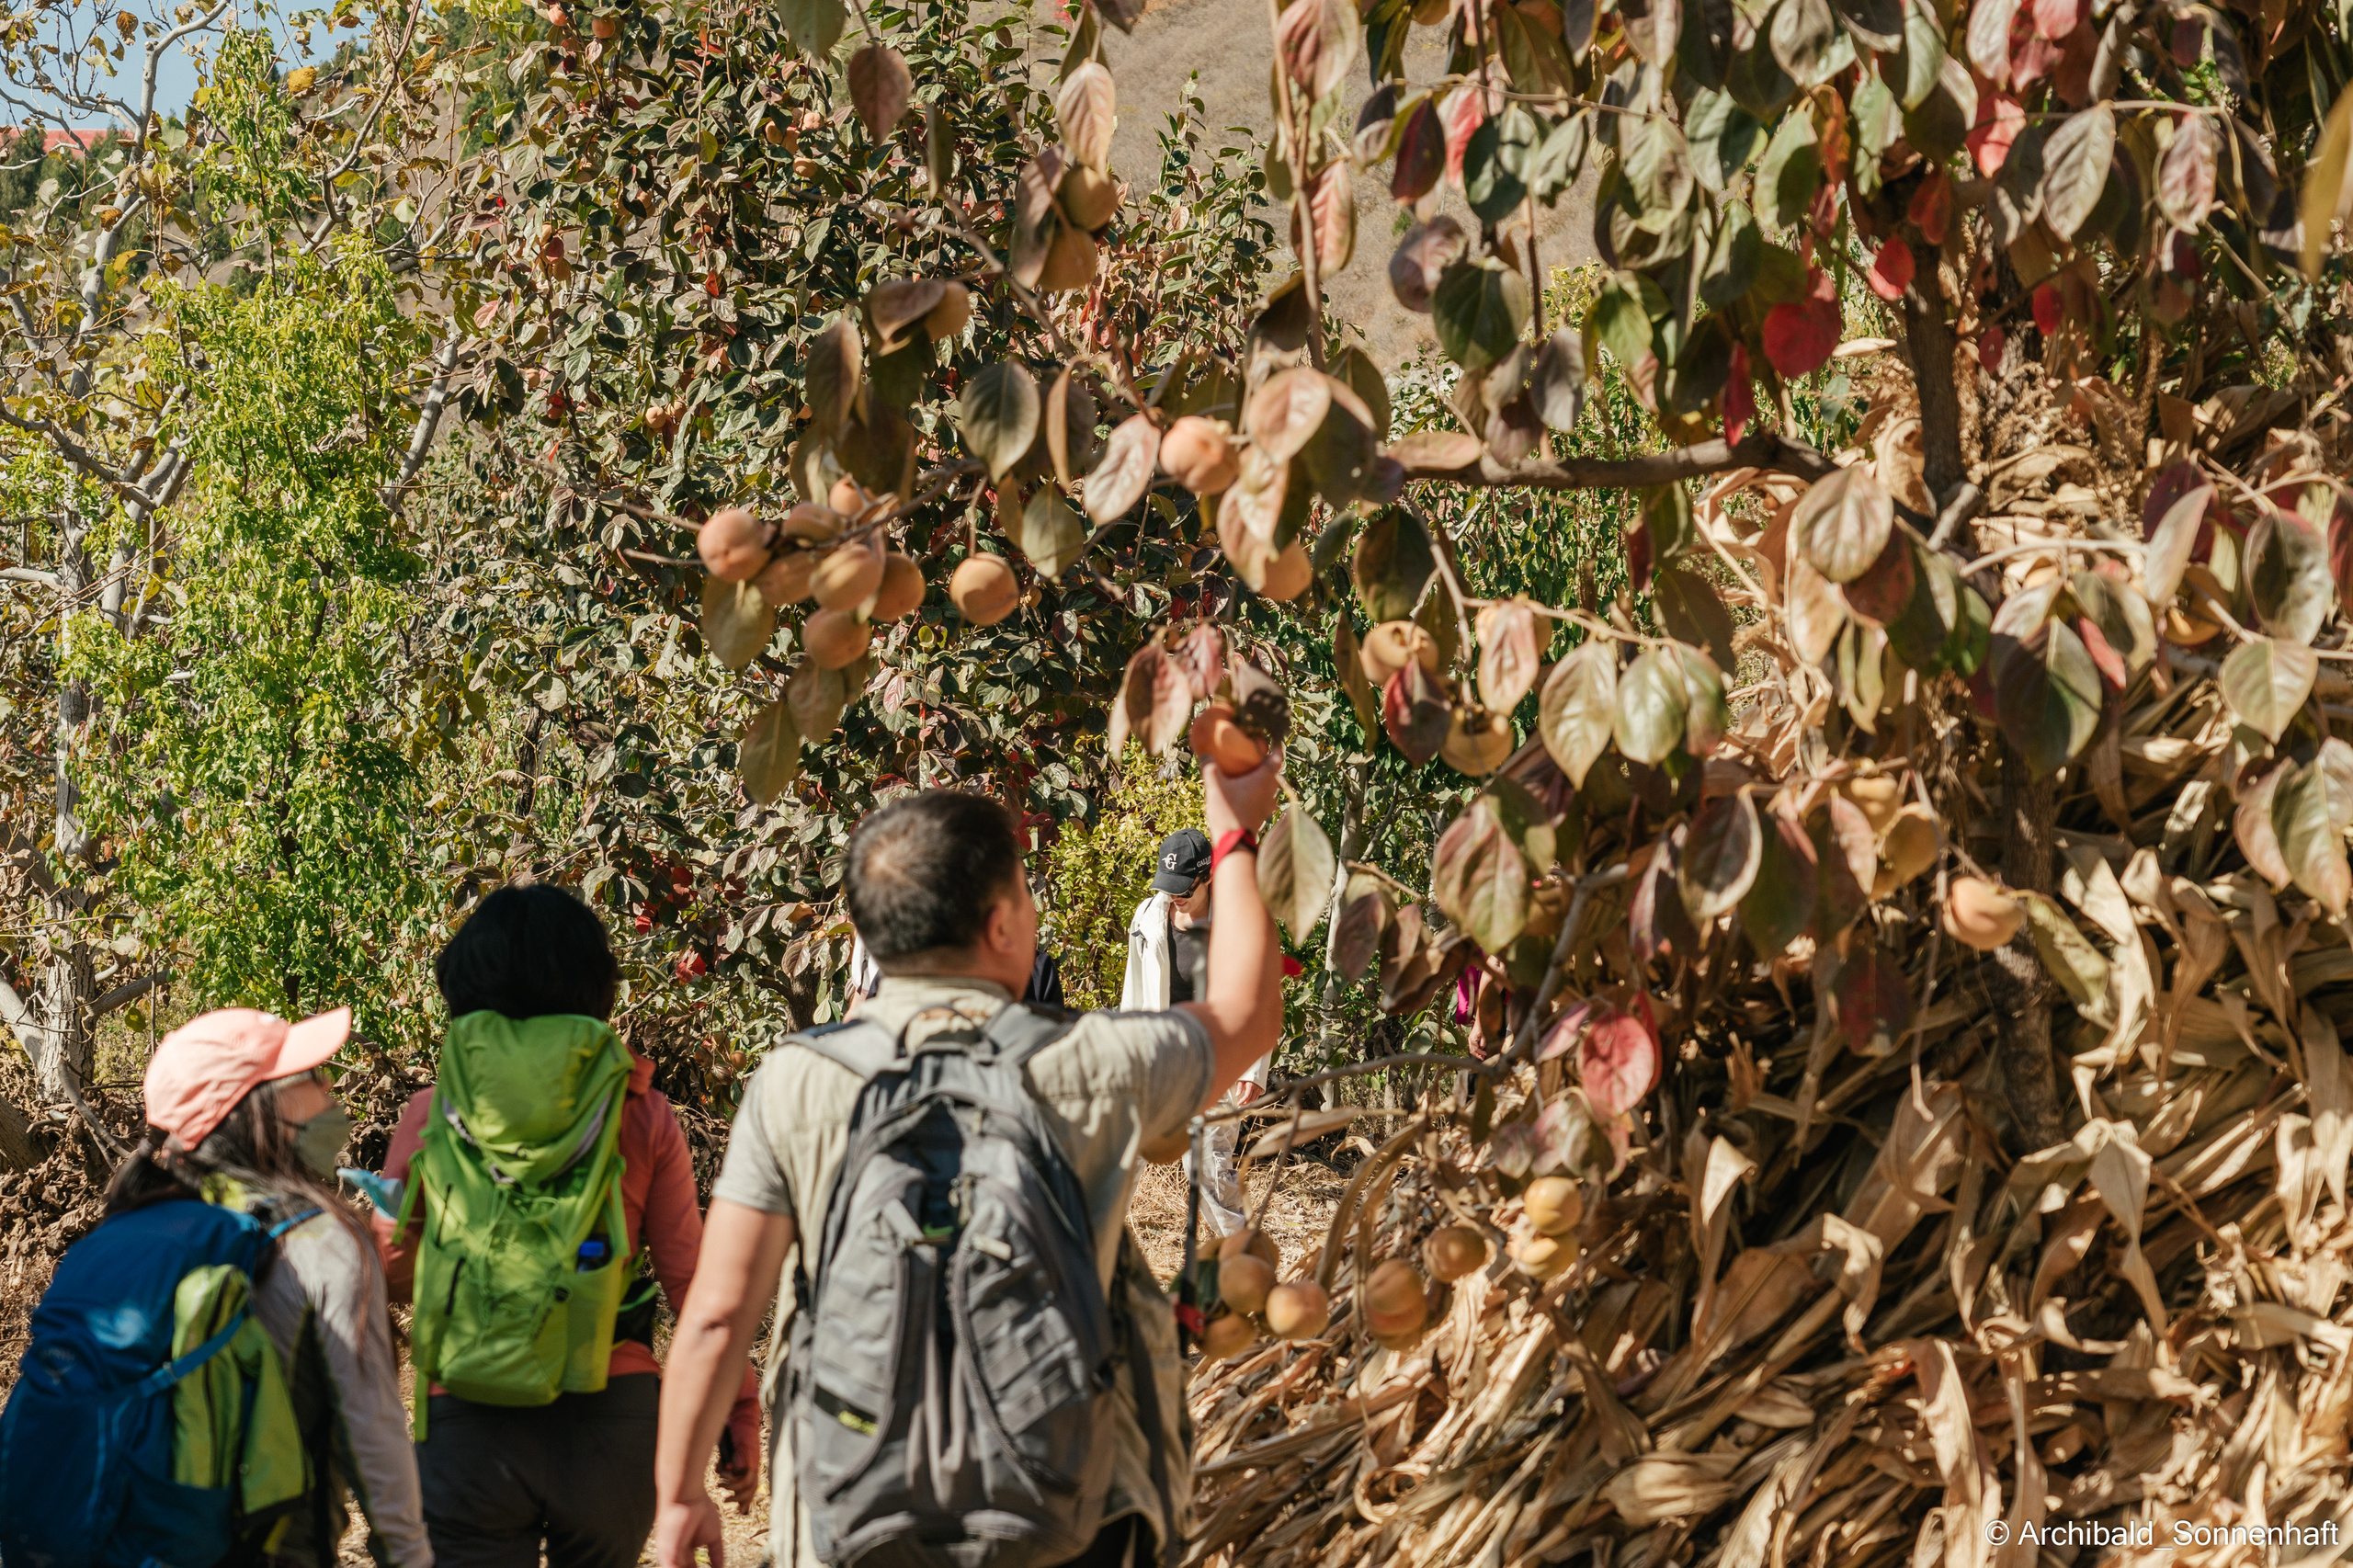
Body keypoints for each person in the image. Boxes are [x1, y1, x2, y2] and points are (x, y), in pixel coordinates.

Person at [651, 765, 1282, 1568]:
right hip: (1066, 1512)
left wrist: (677, 1494)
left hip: (850, 1514)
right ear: (1002, 926)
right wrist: (1236, 832)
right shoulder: (1093, 1061)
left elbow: (715, 1315)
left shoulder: (799, 1081)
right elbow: (1249, 1011)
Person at [375, 884, 760, 1568]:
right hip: (613, 1421)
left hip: (468, 1417)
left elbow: (389, 1268)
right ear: (597, 990)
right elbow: (696, 1292)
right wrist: (740, 1410)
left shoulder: (431, 1113)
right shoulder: (642, 1111)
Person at [20, 1006, 430, 1568]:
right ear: (253, 1109)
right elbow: (373, 1441)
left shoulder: (125, 1228)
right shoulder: (322, 1240)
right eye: (309, 1076)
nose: (331, 1087)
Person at [1120, 827, 1269, 1235]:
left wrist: (1252, 1068)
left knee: (1206, 1168)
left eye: (1185, 887)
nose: (1175, 896)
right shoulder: (1148, 916)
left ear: (1209, 877)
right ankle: (1088, 1260)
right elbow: (1134, 988)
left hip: (1216, 1058)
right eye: (1168, 887)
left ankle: (1246, 1266)